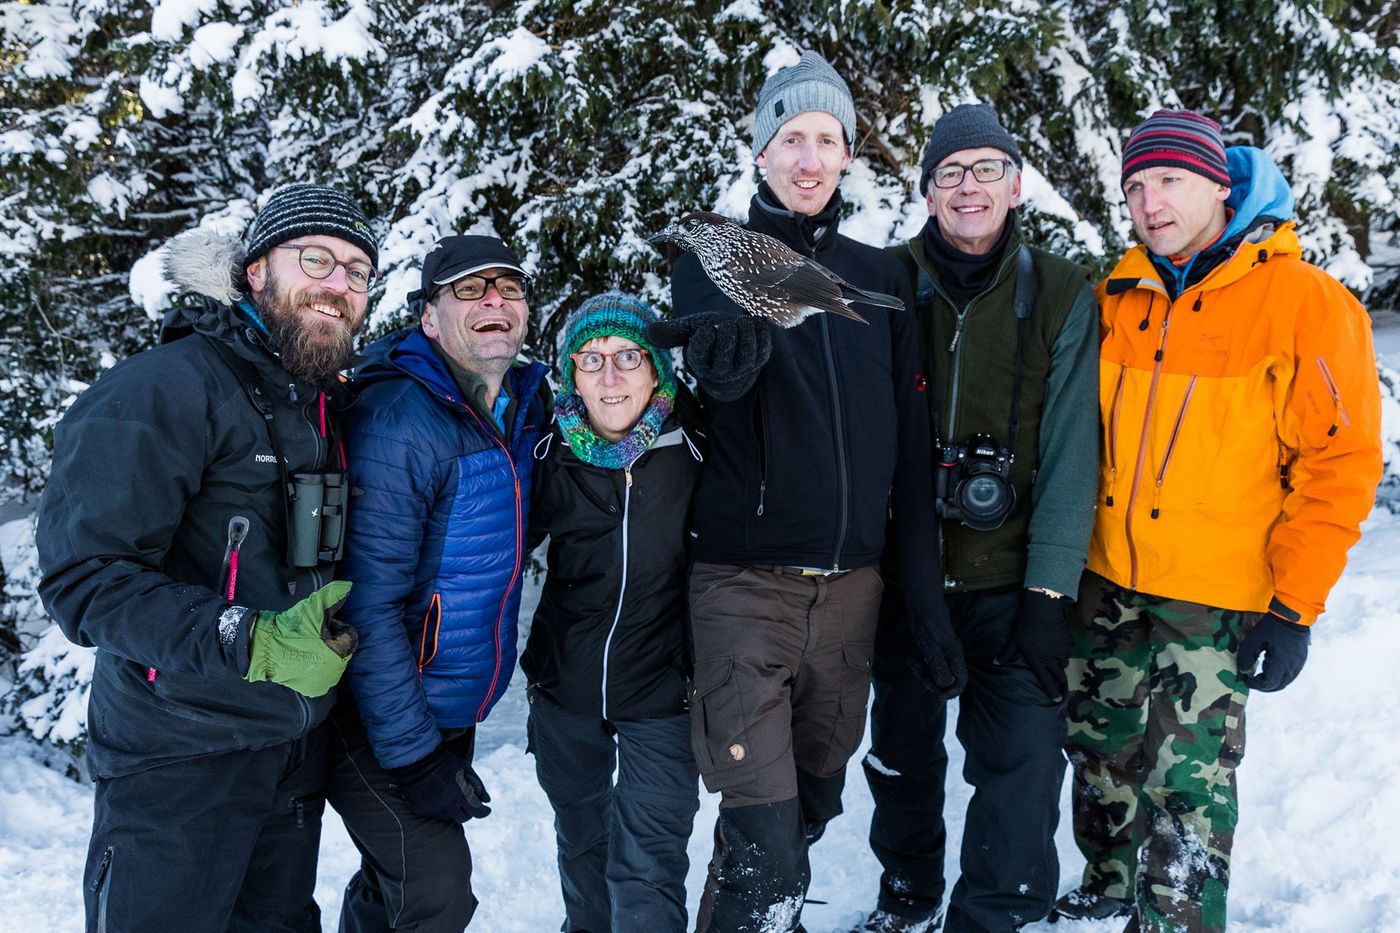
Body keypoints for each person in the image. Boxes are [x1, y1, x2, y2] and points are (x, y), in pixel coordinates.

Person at [649, 50, 957, 933]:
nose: (810, 157)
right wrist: (726, 373)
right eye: (791, 138)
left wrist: (921, 601)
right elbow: (719, 388)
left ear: (850, 155)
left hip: (854, 595)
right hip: (746, 587)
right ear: (761, 154)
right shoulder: (714, 259)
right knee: (763, 838)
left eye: (827, 138)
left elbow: (906, 451)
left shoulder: (885, 275)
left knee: (810, 808)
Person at [1054, 109, 1382, 931]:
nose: (1149, 202)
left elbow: (1338, 465)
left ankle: (1176, 921)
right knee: (1100, 757)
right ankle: (1106, 889)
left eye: (1168, 180)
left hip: (1213, 600)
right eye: (1133, 186)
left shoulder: (1305, 304)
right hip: (1107, 586)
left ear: (1219, 185)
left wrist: (1294, 605)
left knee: (1186, 785)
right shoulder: (1119, 294)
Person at [36, 183, 377, 932]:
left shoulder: (321, 401)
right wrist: (247, 639)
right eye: (315, 258)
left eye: (357, 271)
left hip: (289, 754)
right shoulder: (164, 389)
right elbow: (83, 576)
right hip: (178, 757)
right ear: (255, 271)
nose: (337, 284)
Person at [856, 104, 1099, 933]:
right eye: (950, 173)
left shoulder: (1063, 291)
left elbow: (1074, 449)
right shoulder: (883, 283)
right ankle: (908, 891)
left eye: (987, 168)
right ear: (927, 192)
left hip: (1013, 574)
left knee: (1023, 762)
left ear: (1017, 184)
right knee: (901, 754)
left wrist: (1048, 591)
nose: (969, 187)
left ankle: (998, 914)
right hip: (905, 574)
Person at [325, 234, 550, 932]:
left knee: (387, 880)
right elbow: (365, 603)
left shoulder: (519, 406)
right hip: (372, 712)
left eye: (508, 288)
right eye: (470, 289)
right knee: (437, 891)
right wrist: (415, 753)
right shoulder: (401, 420)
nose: (494, 300)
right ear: (429, 318)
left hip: (443, 701)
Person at [524, 292, 704, 932]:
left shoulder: (698, 447)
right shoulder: (546, 453)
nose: (609, 376)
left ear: (656, 368)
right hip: (565, 688)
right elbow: (490, 555)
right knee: (582, 845)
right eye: (591, 359)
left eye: (628, 356)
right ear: (570, 372)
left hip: (664, 692)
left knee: (649, 864)